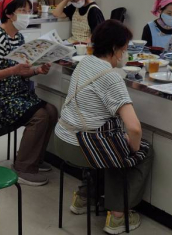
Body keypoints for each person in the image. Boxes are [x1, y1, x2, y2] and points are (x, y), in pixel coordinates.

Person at [55, 20, 151, 234]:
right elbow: (134, 128)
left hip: (62, 139)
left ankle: (84, 197)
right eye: (125, 49)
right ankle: (118, 215)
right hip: (82, 146)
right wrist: (131, 150)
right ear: (116, 48)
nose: (125, 54)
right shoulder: (111, 78)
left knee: (110, 139)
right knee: (139, 150)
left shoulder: (84, 63)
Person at [0, 0, 57, 186]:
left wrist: (37, 70)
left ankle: (33, 159)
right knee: (40, 116)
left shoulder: (18, 37)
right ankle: (23, 168)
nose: (27, 15)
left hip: (13, 91)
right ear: (9, 14)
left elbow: (21, 72)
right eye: (23, 11)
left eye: (29, 11)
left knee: (51, 111)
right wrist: (14, 70)